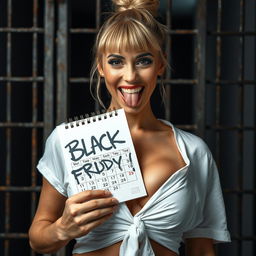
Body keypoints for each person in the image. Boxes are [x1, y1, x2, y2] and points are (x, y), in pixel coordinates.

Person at [29, 0, 231, 255]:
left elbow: (202, 249)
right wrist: (63, 229)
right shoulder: (67, 141)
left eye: (143, 61)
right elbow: (38, 239)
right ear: (101, 67)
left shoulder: (193, 152)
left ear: (160, 64)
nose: (131, 76)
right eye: (116, 61)